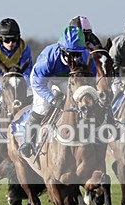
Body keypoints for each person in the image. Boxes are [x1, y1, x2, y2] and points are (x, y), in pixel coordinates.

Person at [19, 26, 96, 158]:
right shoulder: (49, 59)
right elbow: (38, 83)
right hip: (45, 80)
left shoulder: (85, 56)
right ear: (62, 50)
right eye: (71, 54)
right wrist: (53, 99)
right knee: (42, 106)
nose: (76, 58)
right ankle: (27, 141)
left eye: (77, 54)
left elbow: (92, 77)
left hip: (68, 79)